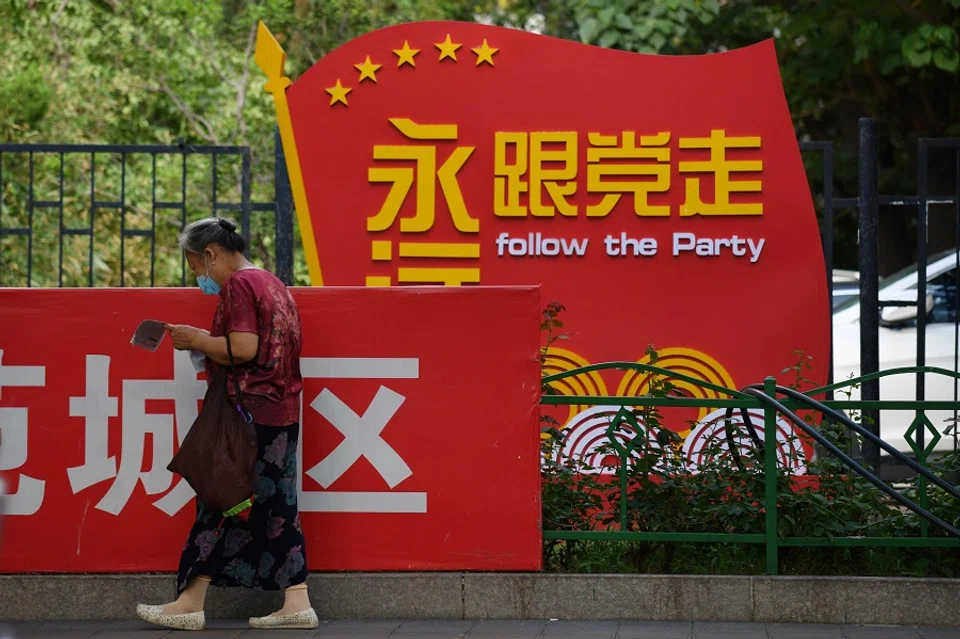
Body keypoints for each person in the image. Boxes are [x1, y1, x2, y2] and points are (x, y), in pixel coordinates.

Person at [136, 217, 316, 631]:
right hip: (280, 414)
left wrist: (196, 339)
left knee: (220, 499)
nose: (200, 278)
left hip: (246, 418)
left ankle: (189, 604)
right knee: (276, 507)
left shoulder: (239, 284)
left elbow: (244, 348)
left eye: (196, 268)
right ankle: (297, 601)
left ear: (211, 254)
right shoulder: (271, 282)